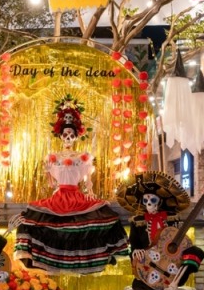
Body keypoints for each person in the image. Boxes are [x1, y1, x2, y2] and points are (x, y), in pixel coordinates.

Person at [14, 94, 129, 273]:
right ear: (60, 136)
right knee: (37, 219)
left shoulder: (82, 157)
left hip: (76, 195)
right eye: (65, 134)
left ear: (76, 137)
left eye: (71, 135)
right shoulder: (53, 157)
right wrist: (48, 172)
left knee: (101, 218)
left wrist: (91, 193)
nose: (68, 138)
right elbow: (52, 184)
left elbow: (88, 181)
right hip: (59, 196)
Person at [116, 172, 204, 290]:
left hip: (169, 265)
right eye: (146, 200)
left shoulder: (171, 220)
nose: (149, 203)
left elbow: (179, 242)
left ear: (160, 201)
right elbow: (134, 245)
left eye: (153, 199)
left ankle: (177, 280)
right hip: (148, 267)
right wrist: (136, 252)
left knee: (196, 251)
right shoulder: (138, 222)